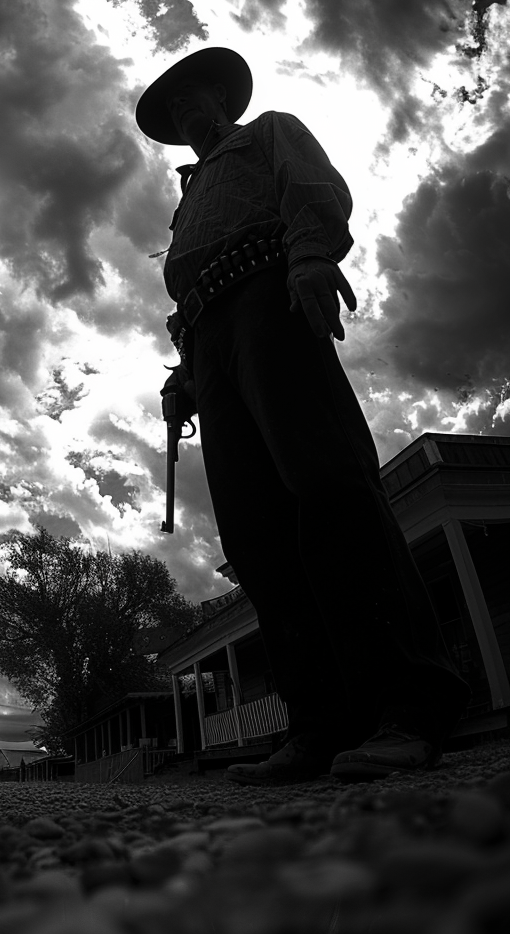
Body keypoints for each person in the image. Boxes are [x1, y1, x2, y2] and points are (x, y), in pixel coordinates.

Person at [135, 48, 470, 785]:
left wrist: (312, 255)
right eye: (177, 107)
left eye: (200, 97)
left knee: (328, 488)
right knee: (255, 533)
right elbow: (190, 285)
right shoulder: (187, 200)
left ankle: (407, 706)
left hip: (272, 304)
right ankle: (319, 723)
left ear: (226, 99)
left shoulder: (267, 135)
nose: (191, 111)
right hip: (211, 344)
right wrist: (186, 371)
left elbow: (311, 192)